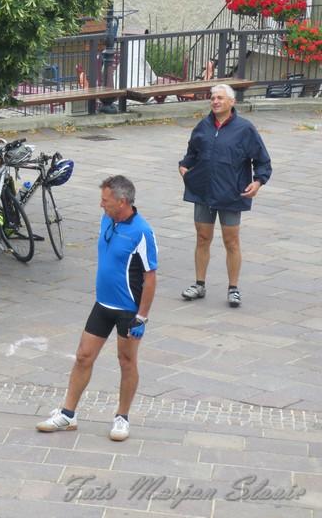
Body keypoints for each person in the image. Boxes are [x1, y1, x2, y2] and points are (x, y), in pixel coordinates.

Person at [36, 175, 157, 442]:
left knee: (126, 361)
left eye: (105, 200)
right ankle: (68, 414)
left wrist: (141, 317)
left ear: (122, 202)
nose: (101, 205)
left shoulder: (142, 232)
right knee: (83, 356)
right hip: (102, 304)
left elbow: (150, 278)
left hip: (128, 311)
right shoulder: (107, 219)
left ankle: (122, 417)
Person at [178, 83, 272, 308]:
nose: (215, 101)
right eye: (213, 98)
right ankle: (199, 284)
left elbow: (262, 160)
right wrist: (184, 168)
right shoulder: (203, 126)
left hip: (231, 193)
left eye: (220, 98)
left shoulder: (245, 129)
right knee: (202, 237)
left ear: (232, 102)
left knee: (231, 241)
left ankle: (233, 288)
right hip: (203, 192)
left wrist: (258, 181)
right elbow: (191, 154)